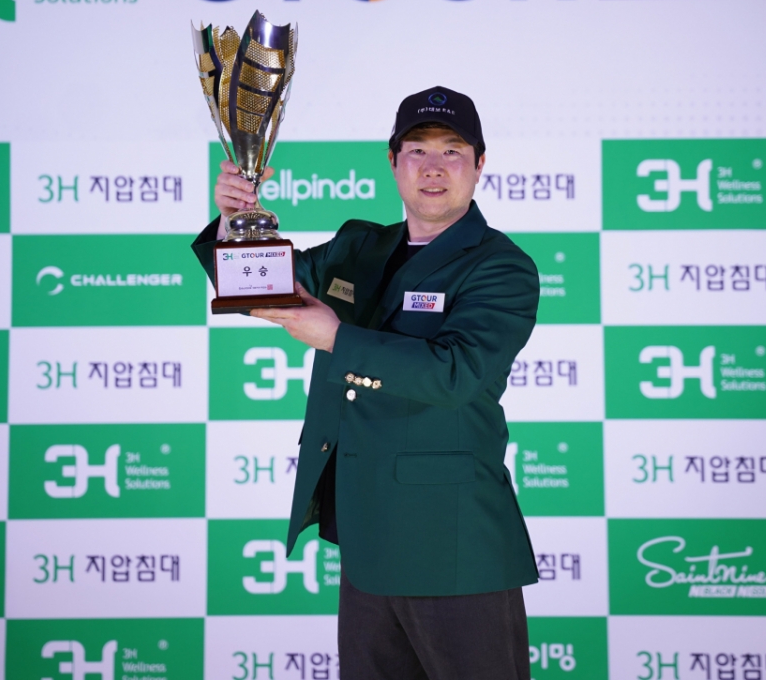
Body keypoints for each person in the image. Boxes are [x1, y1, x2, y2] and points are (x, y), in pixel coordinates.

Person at [191, 86, 540, 680]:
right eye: (417, 150)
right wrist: (233, 226)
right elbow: (262, 287)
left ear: (480, 164)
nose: (434, 167)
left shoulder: (501, 266)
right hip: (366, 534)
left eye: (453, 151)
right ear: (393, 160)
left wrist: (337, 337)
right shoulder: (359, 246)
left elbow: (455, 374)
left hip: (452, 544)